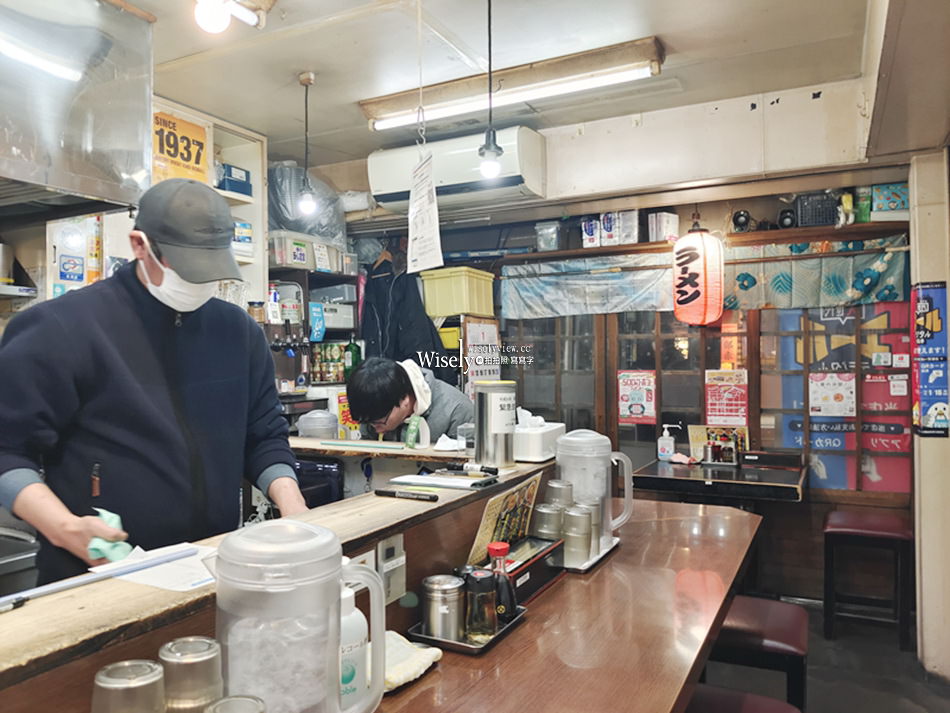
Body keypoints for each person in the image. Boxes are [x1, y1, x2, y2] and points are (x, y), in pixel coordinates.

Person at [0, 178, 307, 584]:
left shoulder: (238, 332)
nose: (200, 284)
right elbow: (8, 449)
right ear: (139, 246)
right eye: (187, 269)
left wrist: (294, 507)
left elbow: (264, 434)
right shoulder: (63, 328)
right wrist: (63, 527)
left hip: (210, 568)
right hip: (97, 575)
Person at [347, 357, 473, 442]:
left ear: (405, 401)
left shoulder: (457, 411)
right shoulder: (374, 412)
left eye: (380, 423)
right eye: (369, 423)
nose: (376, 429)